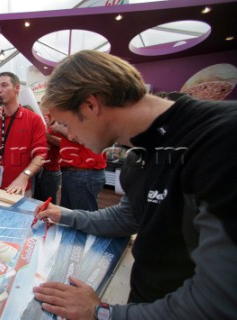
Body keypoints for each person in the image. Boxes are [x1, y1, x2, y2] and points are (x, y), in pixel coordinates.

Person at [33, 50, 237, 319]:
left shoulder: (221, 137)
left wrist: (102, 313)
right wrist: (66, 215)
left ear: (90, 105)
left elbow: (217, 302)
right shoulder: (138, 153)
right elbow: (127, 217)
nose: (69, 135)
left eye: (66, 123)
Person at [0, 72, 47, 195]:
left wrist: (25, 175)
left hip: (19, 188)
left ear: (17, 88)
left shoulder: (33, 119)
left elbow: (41, 156)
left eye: (4, 85)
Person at [50, 121, 106, 210]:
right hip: (74, 172)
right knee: (68, 214)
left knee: (82, 215)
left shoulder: (86, 116)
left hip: (84, 173)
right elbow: (66, 142)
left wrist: (59, 128)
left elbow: (81, 138)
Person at [33, 107, 61, 205]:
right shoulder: (48, 126)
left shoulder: (58, 125)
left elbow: (62, 144)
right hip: (43, 170)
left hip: (51, 170)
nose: (44, 113)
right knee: (39, 201)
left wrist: (46, 136)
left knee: (48, 204)